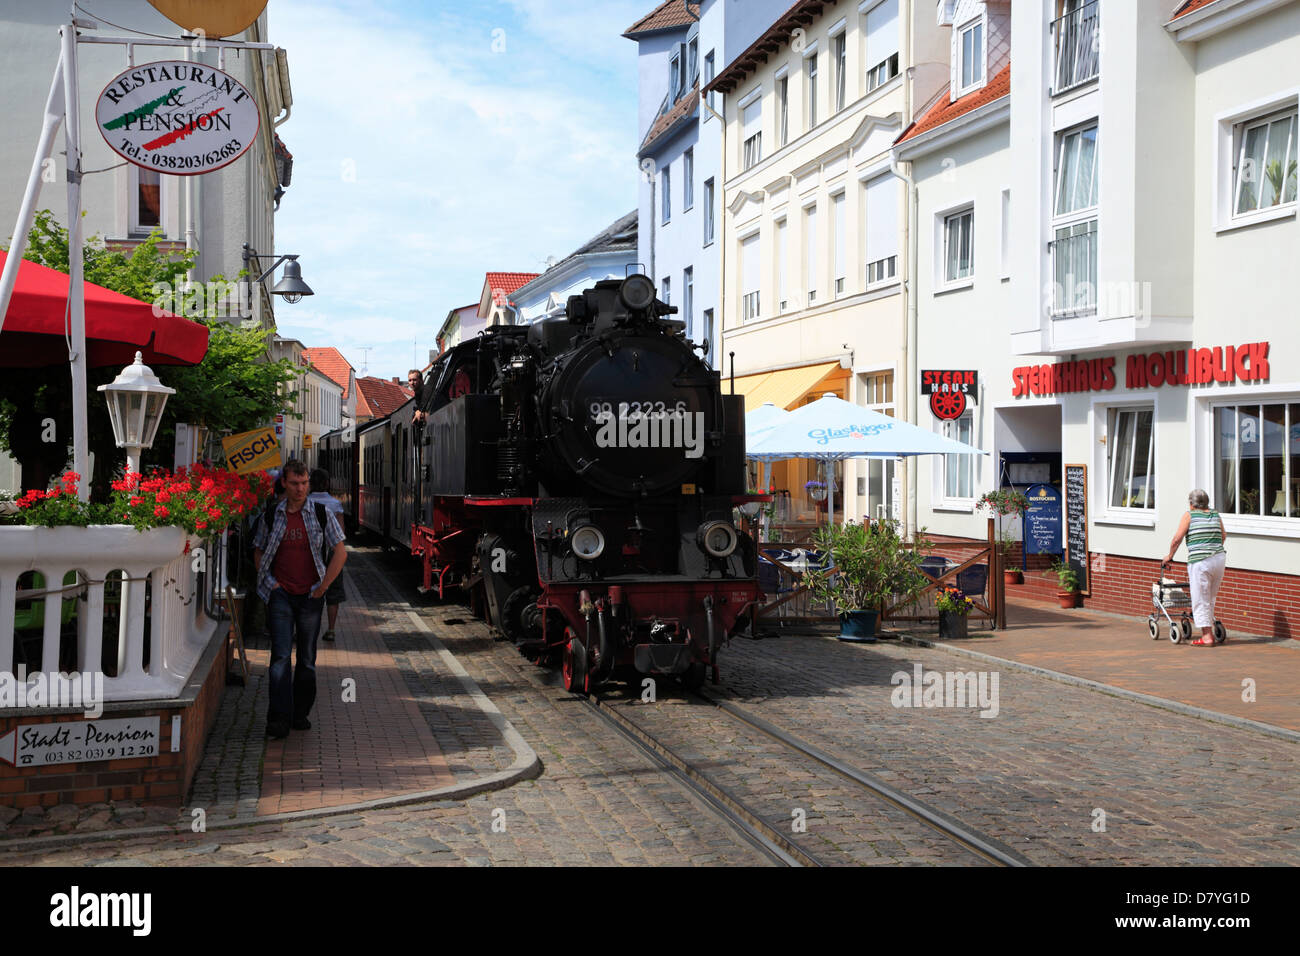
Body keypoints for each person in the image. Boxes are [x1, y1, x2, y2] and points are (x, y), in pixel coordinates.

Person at [253, 459, 347, 738]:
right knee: (280, 657)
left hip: (310, 596)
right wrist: (271, 585)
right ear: (284, 482)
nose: (300, 488)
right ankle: (278, 718)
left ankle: (300, 713)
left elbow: (340, 553)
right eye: (294, 483)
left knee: (306, 658)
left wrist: (322, 588)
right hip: (281, 595)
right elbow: (257, 550)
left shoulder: (320, 514)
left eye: (304, 483)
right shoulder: (272, 515)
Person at [1163, 488, 1228, 646]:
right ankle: (1209, 630)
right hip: (1219, 559)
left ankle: (1207, 636)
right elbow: (1223, 536)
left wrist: (1169, 556)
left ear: (1192, 504)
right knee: (1210, 597)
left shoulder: (1189, 515)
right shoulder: (1215, 514)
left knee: (1200, 598)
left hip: (1201, 562)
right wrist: (1212, 549)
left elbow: (1177, 538)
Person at [309, 468, 347, 642]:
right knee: (333, 593)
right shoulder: (335, 504)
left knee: (308, 590)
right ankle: (331, 629)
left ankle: (309, 627)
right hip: (331, 554)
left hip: (310, 552)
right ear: (327, 484)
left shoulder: (305, 502)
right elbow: (340, 533)